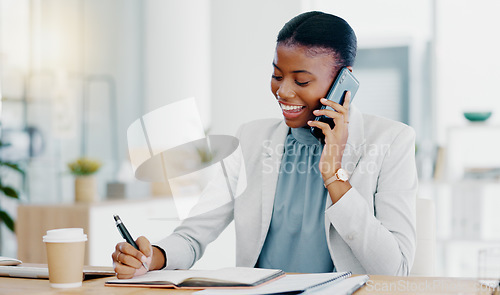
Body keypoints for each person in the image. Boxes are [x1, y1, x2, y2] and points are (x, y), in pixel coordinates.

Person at [112, 11, 417, 278]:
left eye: (301, 81)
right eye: (276, 75)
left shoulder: (390, 142)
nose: (283, 92)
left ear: (343, 81)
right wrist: (153, 258)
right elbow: (193, 236)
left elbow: (395, 270)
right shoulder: (250, 139)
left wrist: (334, 173)